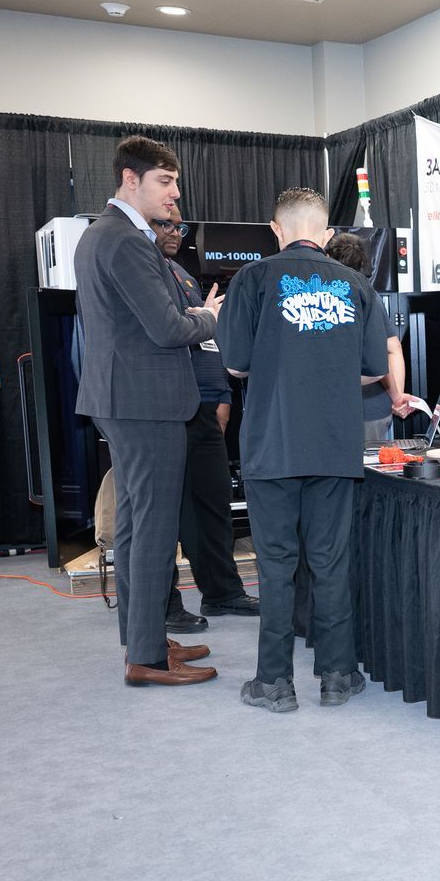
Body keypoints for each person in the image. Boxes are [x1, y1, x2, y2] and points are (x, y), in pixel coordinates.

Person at [218, 189, 393, 713]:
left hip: (273, 443)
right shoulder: (360, 286)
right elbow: (373, 369)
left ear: (276, 229)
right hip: (335, 443)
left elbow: (235, 363)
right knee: (330, 560)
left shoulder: (249, 280)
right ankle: (338, 674)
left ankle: (274, 682)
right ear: (328, 234)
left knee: (275, 563)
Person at [73, 135, 221, 687]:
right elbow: (167, 329)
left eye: (176, 182)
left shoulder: (100, 236)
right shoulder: (128, 241)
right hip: (146, 402)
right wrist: (208, 318)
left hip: (126, 398)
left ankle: (143, 641)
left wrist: (187, 312)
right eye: (165, 182)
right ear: (129, 179)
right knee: (154, 530)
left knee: (136, 526)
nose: (174, 194)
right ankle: (148, 660)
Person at [151, 214, 259, 632]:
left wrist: (220, 395)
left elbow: (207, 341)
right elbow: (178, 332)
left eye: (179, 227)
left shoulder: (184, 276)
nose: (174, 233)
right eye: (165, 225)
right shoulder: (146, 273)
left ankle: (222, 592)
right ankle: (164, 603)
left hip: (203, 408)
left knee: (214, 504)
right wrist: (205, 317)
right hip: (165, 409)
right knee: (168, 512)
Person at [328, 231, 427, 440]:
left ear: (328, 258)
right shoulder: (368, 293)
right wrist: (397, 396)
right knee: (373, 469)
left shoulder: (327, 297)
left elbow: (379, 355)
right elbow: (393, 347)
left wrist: (395, 396)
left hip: (346, 408)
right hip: (374, 410)